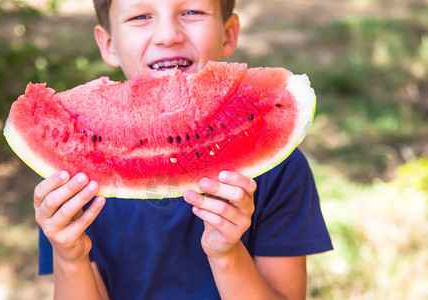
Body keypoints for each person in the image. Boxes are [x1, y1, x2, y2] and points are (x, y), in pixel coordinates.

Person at [35, 0, 333, 299]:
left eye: (192, 12)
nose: (168, 35)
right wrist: (69, 257)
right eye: (140, 16)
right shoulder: (73, 177)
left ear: (228, 33)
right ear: (108, 44)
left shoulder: (278, 168)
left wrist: (227, 254)